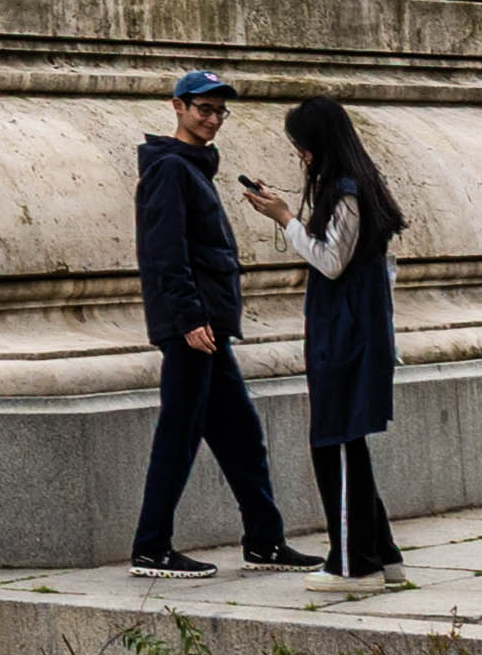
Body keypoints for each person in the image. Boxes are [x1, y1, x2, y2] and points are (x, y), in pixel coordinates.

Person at [128, 65, 302, 575]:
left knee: (242, 435)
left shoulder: (194, 167)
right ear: (178, 107)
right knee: (178, 436)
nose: (213, 119)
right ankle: (151, 547)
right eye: (204, 109)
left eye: (220, 111)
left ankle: (265, 541)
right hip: (193, 328)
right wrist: (187, 317)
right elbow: (165, 251)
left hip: (210, 328)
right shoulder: (170, 168)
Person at [243, 95, 408, 584]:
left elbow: (330, 261)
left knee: (332, 443)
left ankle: (353, 564)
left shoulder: (346, 191)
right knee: (346, 443)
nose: (301, 156)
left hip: (345, 335)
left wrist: (284, 219)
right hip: (352, 329)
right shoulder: (354, 188)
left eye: (302, 146)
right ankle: (382, 555)